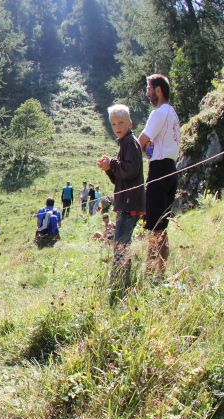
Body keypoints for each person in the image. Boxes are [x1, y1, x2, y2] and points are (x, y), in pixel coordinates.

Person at [97, 104, 145, 302]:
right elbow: (120, 178)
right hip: (125, 202)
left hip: (129, 203)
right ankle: (123, 281)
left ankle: (118, 285)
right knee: (122, 243)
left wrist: (113, 163)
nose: (117, 127)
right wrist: (108, 168)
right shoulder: (124, 143)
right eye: (114, 124)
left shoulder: (131, 142)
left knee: (120, 245)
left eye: (121, 122)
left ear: (129, 123)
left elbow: (131, 169)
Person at [138, 74, 180, 280]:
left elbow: (141, 141)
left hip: (159, 171)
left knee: (154, 227)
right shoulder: (173, 113)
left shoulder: (159, 112)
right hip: (171, 170)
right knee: (162, 227)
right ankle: (161, 274)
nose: (147, 93)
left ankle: (148, 274)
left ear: (158, 90)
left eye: (149, 89)